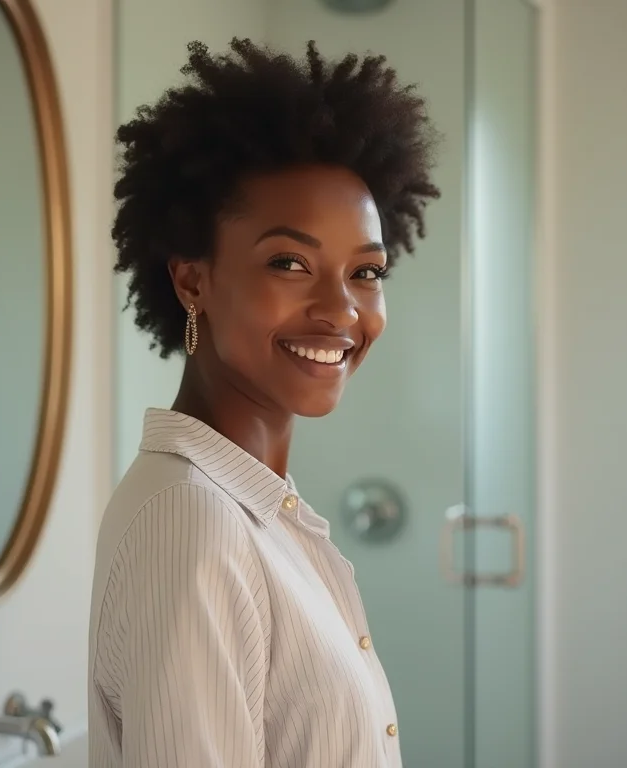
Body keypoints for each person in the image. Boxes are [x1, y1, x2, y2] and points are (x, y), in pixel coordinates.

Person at [88, 37, 440, 768]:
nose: (341, 310)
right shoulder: (193, 524)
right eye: (290, 263)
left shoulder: (253, 511)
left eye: (366, 271)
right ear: (193, 280)